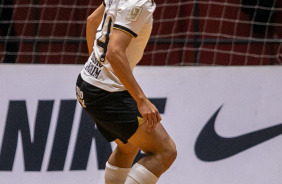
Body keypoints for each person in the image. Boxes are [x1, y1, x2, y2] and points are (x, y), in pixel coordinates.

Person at [76, 0, 177, 183]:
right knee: (165, 151)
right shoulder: (140, 3)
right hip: (106, 92)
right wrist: (141, 99)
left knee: (128, 145)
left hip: (87, 83)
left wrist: (98, 66)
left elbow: (92, 20)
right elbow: (114, 52)